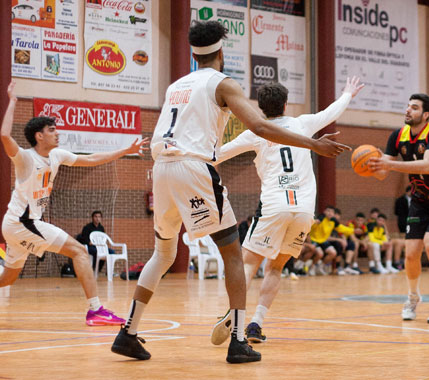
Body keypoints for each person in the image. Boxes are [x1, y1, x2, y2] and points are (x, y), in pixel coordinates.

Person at [110, 21, 349, 363]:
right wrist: (313, 144)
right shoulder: (223, 83)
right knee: (234, 254)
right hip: (193, 167)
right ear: (221, 53)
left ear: (194, 54)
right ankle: (238, 340)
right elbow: (261, 126)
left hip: (161, 169)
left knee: (162, 255)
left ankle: (128, 332)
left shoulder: (175, 86)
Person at [208, 77, 363, 344]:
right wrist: (348, 93)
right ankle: (256, 323)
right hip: (303, 210)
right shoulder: (302, 123)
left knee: (248, 264)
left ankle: (236, 315)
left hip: (274, 205)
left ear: (261, 108)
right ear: (286, 104)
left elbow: (218, 155)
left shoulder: (255, 131)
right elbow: (332, 112)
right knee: (276, 268)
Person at [0, 81, 145, 326]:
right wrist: (13, 100)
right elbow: (4, 136)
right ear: (39, 135)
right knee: (79, 250)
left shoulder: (57, 155)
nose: (58, 133)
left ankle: (96, 310)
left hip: (17, 225)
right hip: (22, 222)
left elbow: (92, 159)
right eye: (52, 130)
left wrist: (124, 151)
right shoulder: (26, 159)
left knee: (8, 278)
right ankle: (96, 310)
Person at [368, 93, 429, 324]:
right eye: (408, 106)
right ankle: (412, 297)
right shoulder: (397, 136)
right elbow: (382, 173)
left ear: (426, 114)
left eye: (415, 108)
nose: (408, 110)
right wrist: (370, 164)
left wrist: (390, 164)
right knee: (411, 253)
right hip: (420, 199)